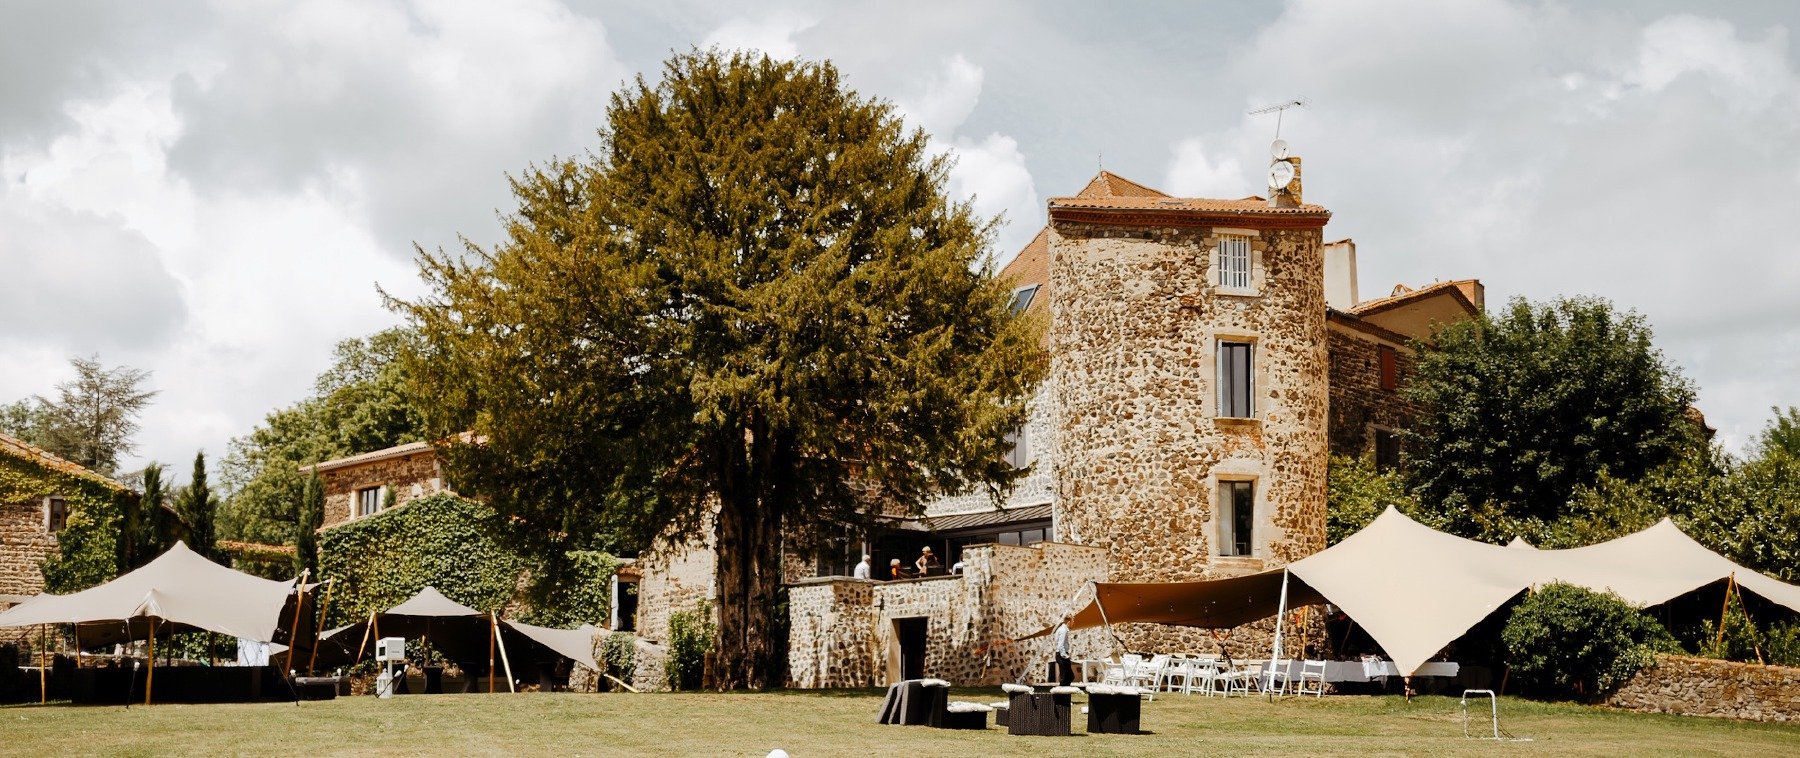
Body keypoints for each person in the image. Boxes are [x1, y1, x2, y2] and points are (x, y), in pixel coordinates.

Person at [1052, 616, 1074, 686]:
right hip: (1062, 655)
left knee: (1068, 676)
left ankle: (1064, 694)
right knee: (1066, 676)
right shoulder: (1063, 630)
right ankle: (1062, 694)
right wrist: (1065, 656)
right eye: (1073, 621)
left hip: (1060, 654)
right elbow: (1060, 645)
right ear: (1069, 622)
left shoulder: (1061, 629)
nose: (1073, 623)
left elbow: (1057, 642)